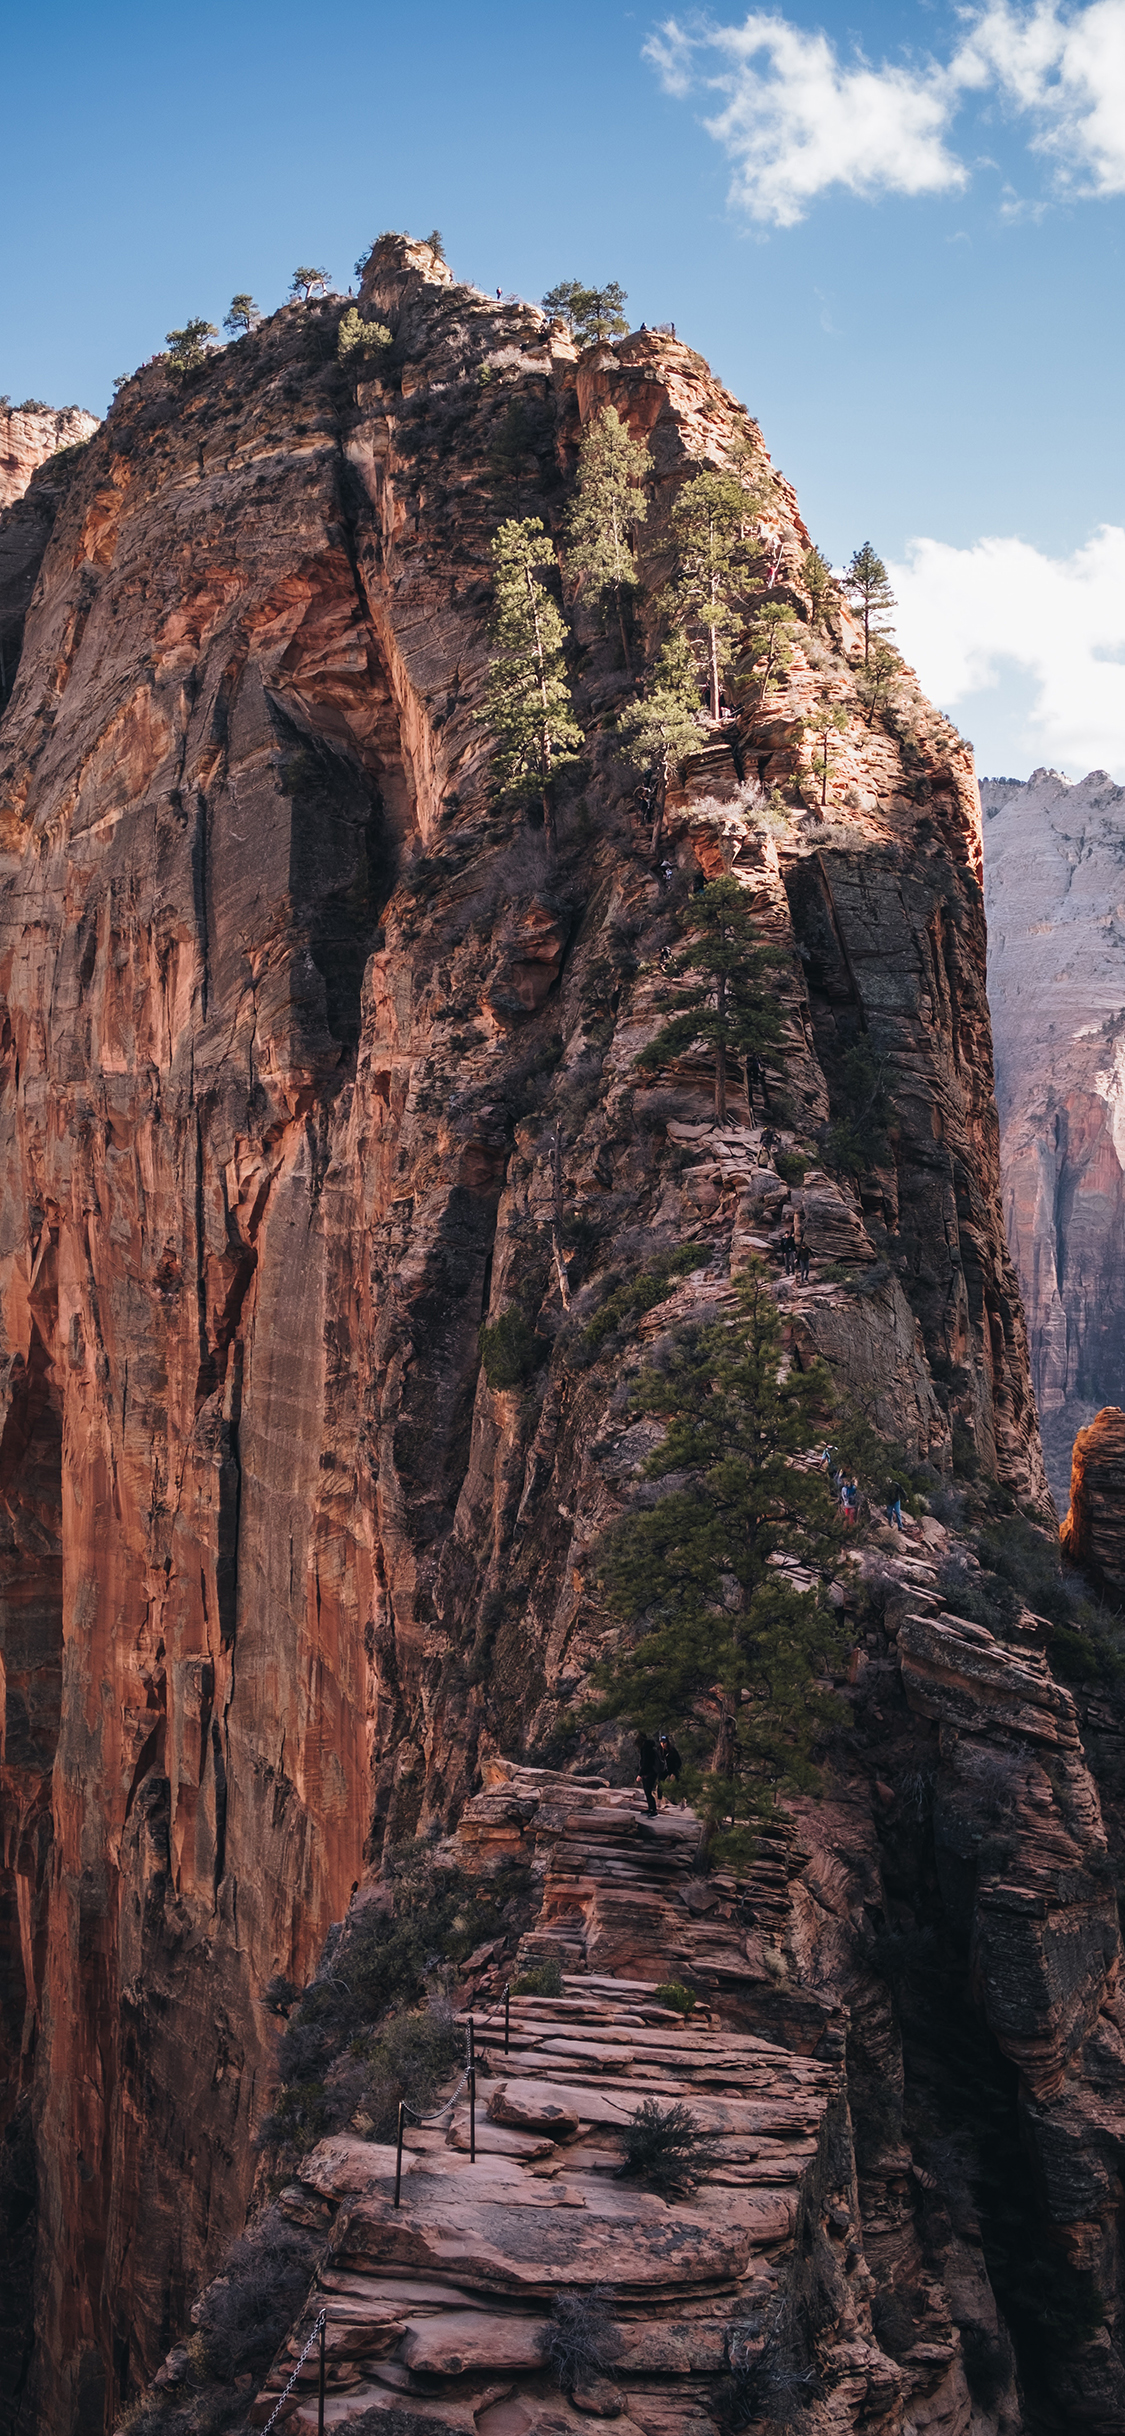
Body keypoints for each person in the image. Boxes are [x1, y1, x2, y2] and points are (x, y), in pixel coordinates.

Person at [635, 1731, 660, 1816]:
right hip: (652, 1772)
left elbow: (645, 1763)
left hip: (649, 1773)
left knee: (648, 1791)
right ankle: (651, 1808)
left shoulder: (645, 1749)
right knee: (647, 1791)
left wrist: (640, 1774)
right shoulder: (649, 1747)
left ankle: (653, 1810)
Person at [657, 1732, 682, 1804]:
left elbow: (678, 1762)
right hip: (663, 1770)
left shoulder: (672, 1751)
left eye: (664, 1742)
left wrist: (674, 1772)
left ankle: (679, 1799)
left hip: (672, 1769)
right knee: (660, 1783)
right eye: (661, 1742)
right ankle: (659, 1800)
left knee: (677, 1782)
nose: (663, 1744)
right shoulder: (659, 1751)